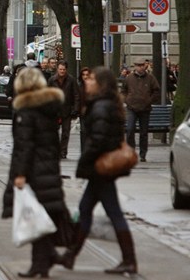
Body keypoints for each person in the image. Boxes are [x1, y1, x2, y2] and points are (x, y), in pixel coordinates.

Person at [62, 66, 139, 275]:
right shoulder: (106, 104)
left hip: (100, 169)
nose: (87, 81)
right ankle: (70, 255)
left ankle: (129, 260)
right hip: (101, 169)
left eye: (92, 79)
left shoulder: (101, 107)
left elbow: (98, 140)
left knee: (112, 213)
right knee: (85, 209)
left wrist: (84, 164)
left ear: (102, 84)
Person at [1, 67, 67, 278]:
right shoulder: (48, 108)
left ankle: (40, 264)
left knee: (34, 218)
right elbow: (53, 143)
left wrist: (20, 174)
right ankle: (45, 261)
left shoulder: (26, 111)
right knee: (40, 216)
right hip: (48, 167)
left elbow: (24, 145)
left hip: (33, 171)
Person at [122, 58, 161, 162]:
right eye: (138, 65)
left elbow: (157, 91)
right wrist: (127, 100)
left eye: (142, 65)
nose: (140, 67)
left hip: (145, 109)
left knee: (144, 133)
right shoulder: (129, 78)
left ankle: (143, 154)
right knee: (130, 130)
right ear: (135, 66)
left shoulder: (150, 78)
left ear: (145, 66)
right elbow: (123, 90)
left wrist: (149, 100)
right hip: (131, 108)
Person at [48, 60, 80, 159]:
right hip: (55, 109)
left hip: (67, 109)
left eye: (64, 69)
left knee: (66, 132)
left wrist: (75, 108)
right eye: (60, 69)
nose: (62, 71)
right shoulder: (52, 80)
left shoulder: (71, 80)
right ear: (57, 69)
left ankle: (63, 151)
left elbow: (76, 95)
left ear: (66, 70)